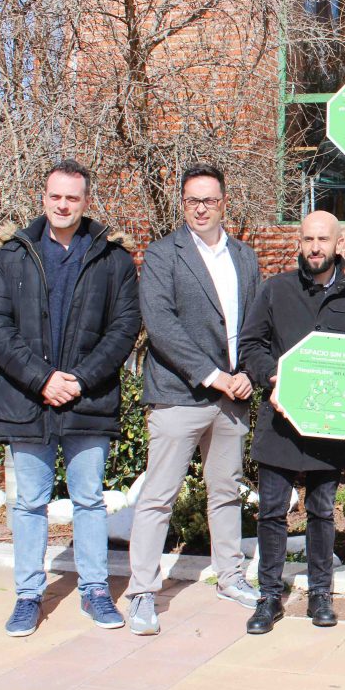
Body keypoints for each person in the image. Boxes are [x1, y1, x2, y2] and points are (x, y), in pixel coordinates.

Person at [0, 159, 140, 637]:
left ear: (86, 200)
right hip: (26, 401)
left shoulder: (112, 257)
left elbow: (124, 327)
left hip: (87, 400)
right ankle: (28, 595)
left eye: (73, 197)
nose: (64, 205)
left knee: (89, 499)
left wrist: (79, 380)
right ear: (44, 198)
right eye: (56, 197)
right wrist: (42, 379)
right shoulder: (14, 254)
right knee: (29, 502)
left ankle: (95, 591)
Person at [125, 163, 262, 635]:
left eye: (209, 200)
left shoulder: (244, 257)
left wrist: (246, 373)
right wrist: (213, 376)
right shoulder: (163, 255)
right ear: (182, 204)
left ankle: (230, 577)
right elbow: (161, 326)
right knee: (158, 497)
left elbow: (252, 327)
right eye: (192, 201)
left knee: (225, 492)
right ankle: (142, 592)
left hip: (232, 399)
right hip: (179, 395)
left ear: (225, 202)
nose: (201, 208)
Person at [238, 211, 345, 633]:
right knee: (272, 513)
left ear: (339, 245)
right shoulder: (275, 290)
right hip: (281, 421)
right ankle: (268, 596)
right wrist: (273, 378)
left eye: (323, 239)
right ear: (299, 243)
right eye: (308, 239)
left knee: (321, 512)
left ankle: (321, 593)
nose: (315, 247)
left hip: (329, 425)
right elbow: (251, 345)